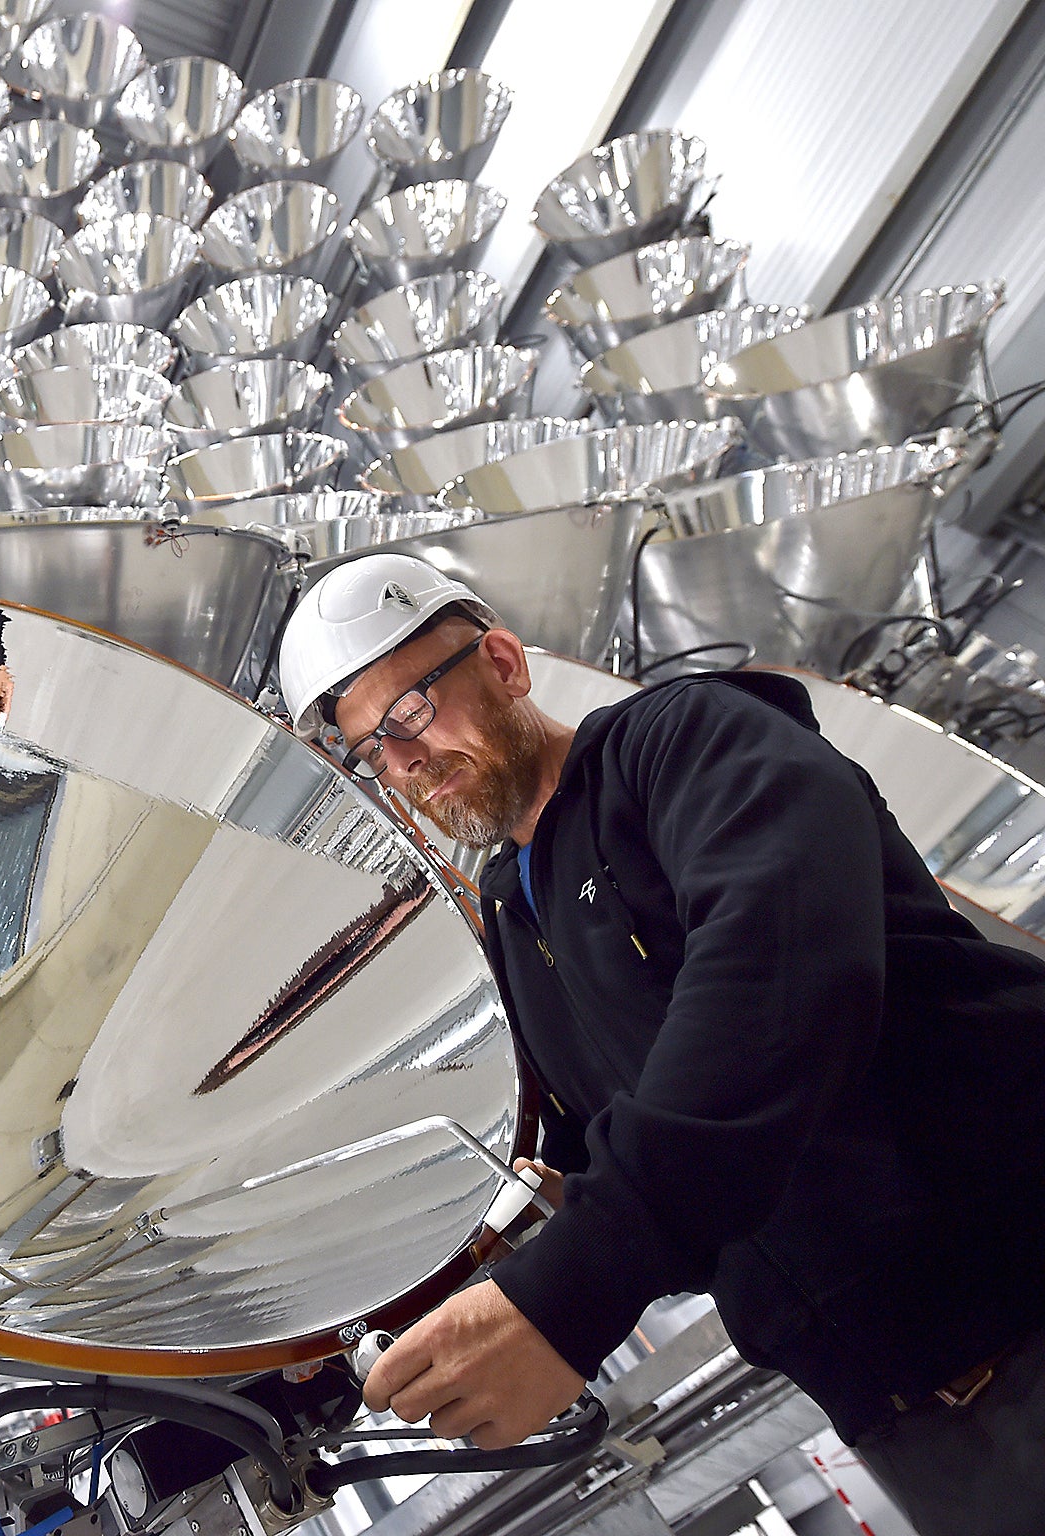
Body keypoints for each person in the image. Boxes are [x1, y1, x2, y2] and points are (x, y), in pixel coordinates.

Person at [275, 553, 1045, 1533]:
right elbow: (587, 1157)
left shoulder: (681, 741)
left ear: (503, 664)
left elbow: (783, 969)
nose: (403, 761)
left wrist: (577, 1286)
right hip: (904, 1415)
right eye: (371, 751)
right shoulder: (514, 921)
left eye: (411, 712)